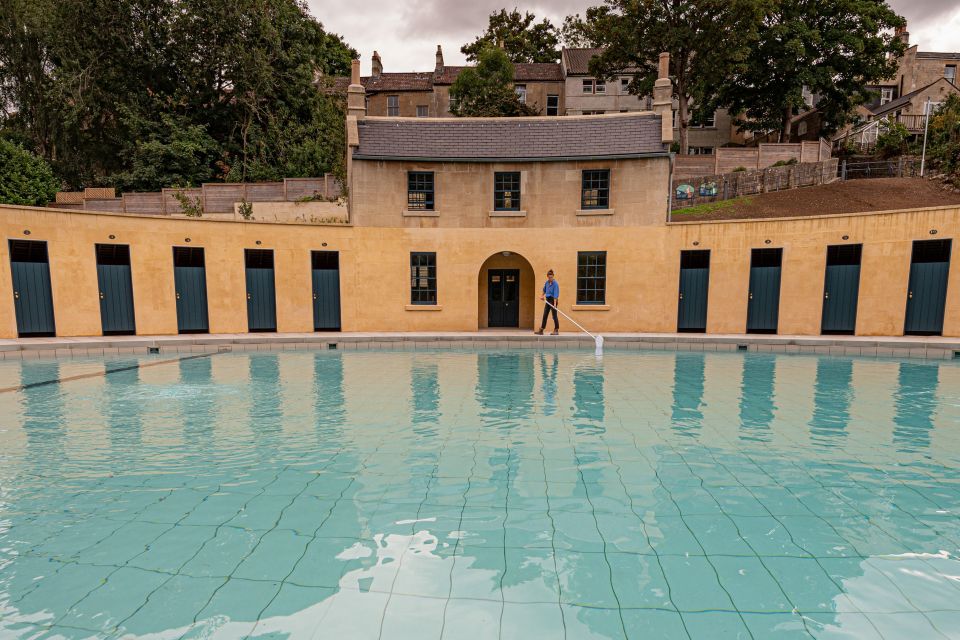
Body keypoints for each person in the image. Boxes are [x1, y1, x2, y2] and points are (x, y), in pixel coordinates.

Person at [535, 269, 559, 335]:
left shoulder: (555, 284)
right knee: (545, 315)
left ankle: (556, 330)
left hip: (553, 300)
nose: (550, 278)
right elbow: (544, 290)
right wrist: (542, 296)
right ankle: (541, 330)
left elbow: (555, 295)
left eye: (551, 277)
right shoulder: (547, 283)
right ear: (547, 277)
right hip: (548, 300)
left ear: (553, 276)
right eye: (549, 277)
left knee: (554, 316)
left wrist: (554, 304)